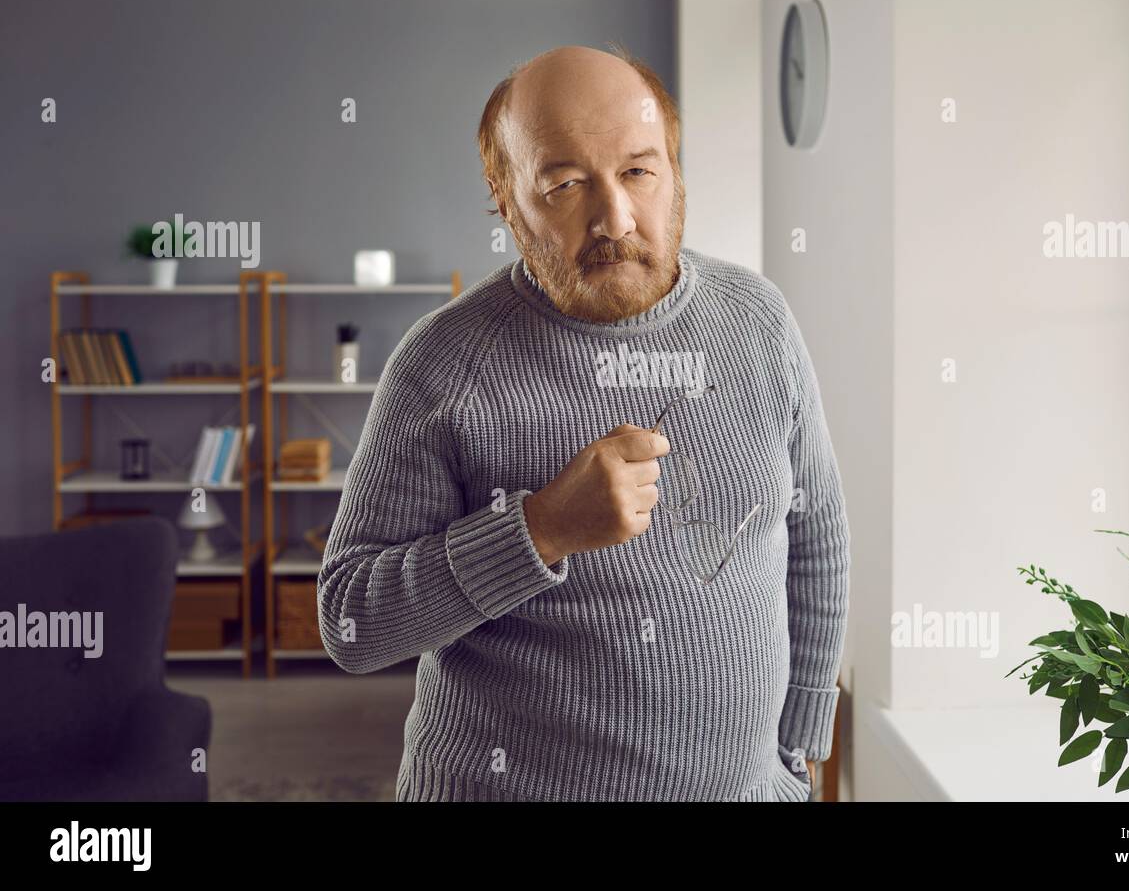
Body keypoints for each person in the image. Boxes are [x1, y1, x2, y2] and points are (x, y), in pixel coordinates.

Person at [318, 43, 849, 801]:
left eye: (639, 171)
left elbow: (817, 540)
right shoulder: (441, 364)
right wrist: (538, 530)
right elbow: (350, 622)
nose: (615, 217)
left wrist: (795, 758)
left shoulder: (758, 321)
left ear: (674, 171)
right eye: (565, 183)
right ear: (506, 201)